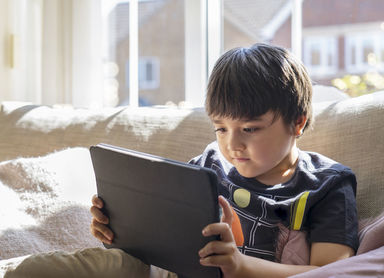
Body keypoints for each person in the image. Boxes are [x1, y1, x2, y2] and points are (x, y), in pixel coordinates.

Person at [90, 43, 358, 278]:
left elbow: (331, 272)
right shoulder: (209, 165)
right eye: (221, 129)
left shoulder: (327, 186)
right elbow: (165, 240)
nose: (232, 145)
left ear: (297, 123)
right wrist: (119, 230)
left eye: (250, 129)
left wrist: (241, 267)